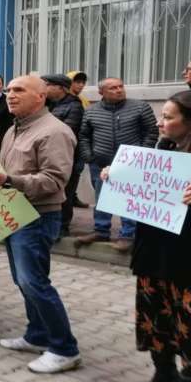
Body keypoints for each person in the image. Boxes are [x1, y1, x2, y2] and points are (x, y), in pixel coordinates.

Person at [109, 90, 191, 382]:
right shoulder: (165, 147)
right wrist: (118, 180)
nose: (161, 122)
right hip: (155, 251)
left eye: (169, 117)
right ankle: (164, 376)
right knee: (156, 318)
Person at [0, 75, 81, 374]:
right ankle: (37, 335)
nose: (10, 95)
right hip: (13, 211)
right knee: (23, 280)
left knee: (34, 282)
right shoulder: (14, 129)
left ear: (41, 97)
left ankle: (65, 349)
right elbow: (5, 169)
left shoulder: (54, 131)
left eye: (19, 90)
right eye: (8, 91)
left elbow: (54, 180)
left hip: (37, 215)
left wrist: (7, 180)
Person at [75, 78, 159, 252]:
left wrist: (142, 154)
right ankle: (101, 230)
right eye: (113, 88)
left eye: (121, 86)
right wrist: (89, 156)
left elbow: (151, 132)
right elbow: (83, 136)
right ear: (101, 92)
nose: (119, 90)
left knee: (129, 198)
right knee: (102, 197)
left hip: (132, 162)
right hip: (100, 162)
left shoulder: (140, 107)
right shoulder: (91, 111)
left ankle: (128, 234)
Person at [41, 74, 84, 238]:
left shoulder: (74, 106)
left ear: (60, 87)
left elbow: (66, 131)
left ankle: (62, 228)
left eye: (47, 85)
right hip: (47, 155)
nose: (43, 89)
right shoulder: (47, 104)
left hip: (69, 158)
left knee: (65, 193)